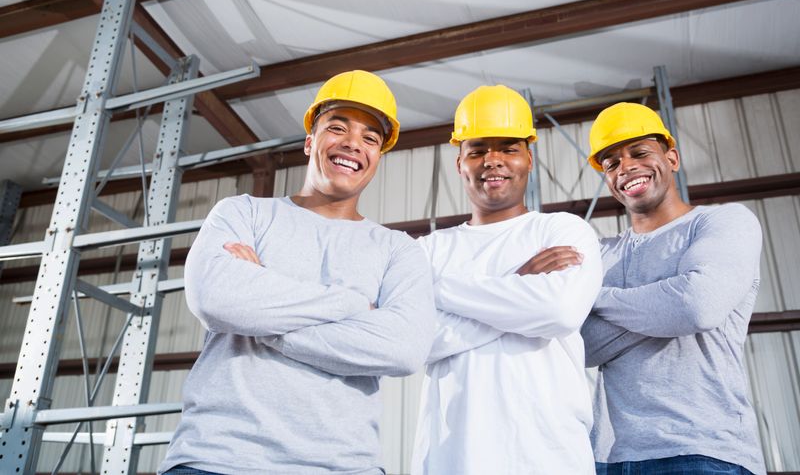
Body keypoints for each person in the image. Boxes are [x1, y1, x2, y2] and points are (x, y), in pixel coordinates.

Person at [159, 70, 435, 475]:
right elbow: (216, 299)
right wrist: (354, 305)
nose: (352, 144)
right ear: (310, 141)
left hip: (342, 466)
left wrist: (258, 311)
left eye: (370, 138)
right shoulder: (244, 212)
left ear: (377, 158)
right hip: (217, 458)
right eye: (337, 127)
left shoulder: (399, 251)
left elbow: (404, 348)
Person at [411, 85, 603, 475]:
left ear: (528, 159)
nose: (492, 161)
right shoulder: (427, 250)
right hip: (450, 457)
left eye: (508, 149)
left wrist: (437, 290)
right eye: (478, 149)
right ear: (459, 162)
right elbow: (412, 340)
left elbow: (559, 310)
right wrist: (518, 284)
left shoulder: (563, 231)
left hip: (549, 455)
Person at [581, 102, 766, 475]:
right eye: (611, 163)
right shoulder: (600, 253)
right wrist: (665, 301)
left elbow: (697, 305)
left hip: (706, 449)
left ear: (673, 158)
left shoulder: (723, 222)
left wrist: (597, 300)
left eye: (639, 152)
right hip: (611, 458)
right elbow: (580, 345)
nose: (626, 167)